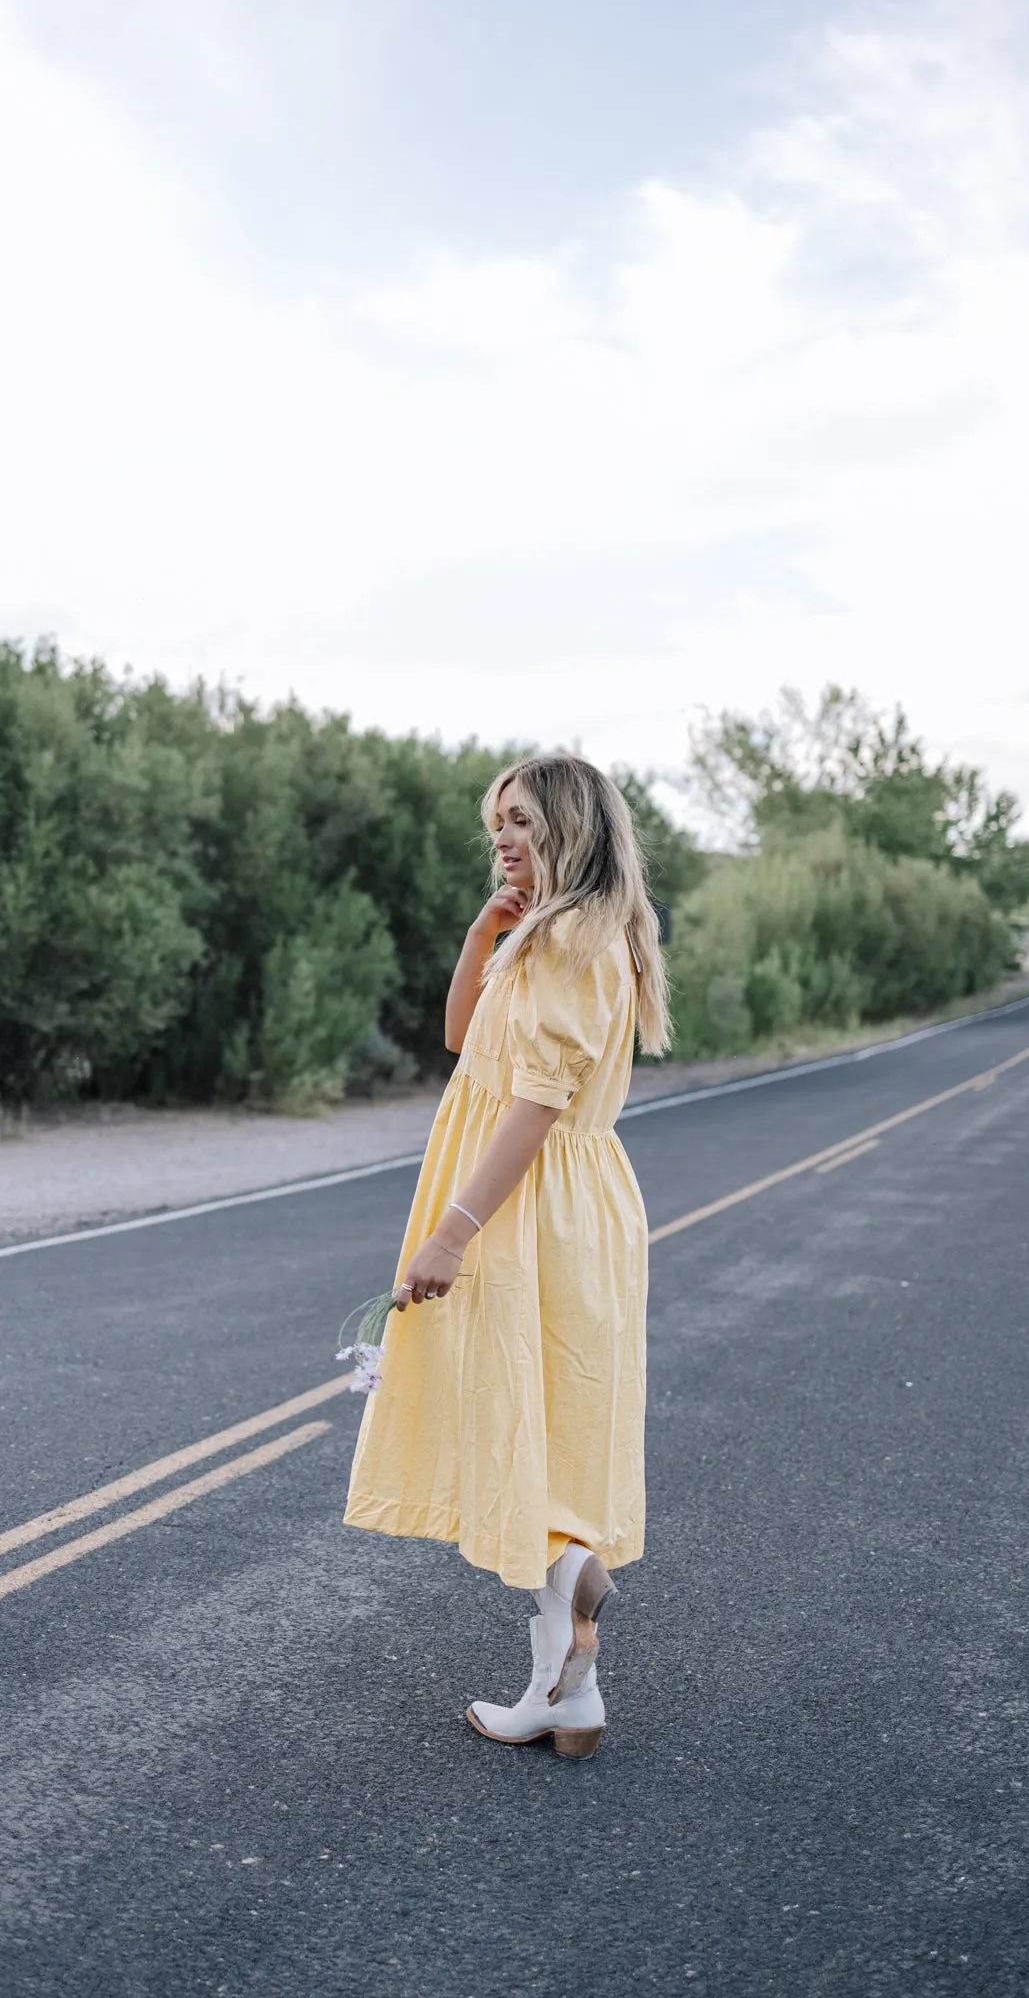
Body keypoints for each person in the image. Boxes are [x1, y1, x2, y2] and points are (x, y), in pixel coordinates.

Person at [343, 752, 670, 1759]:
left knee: (507, 1419)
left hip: (525, 1204)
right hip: (564, 1204)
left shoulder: (570, 940)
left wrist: (452, 1230)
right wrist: (483, 930)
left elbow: (533, 1101)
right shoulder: (549, 934)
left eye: (522, 820)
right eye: (497, 820)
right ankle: (567, 1695)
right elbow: (457, 1036)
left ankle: (568, 1566)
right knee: (546, 1424)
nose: (502, 836)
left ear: (570, 827)